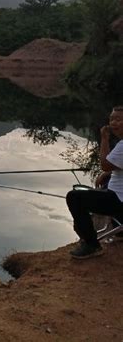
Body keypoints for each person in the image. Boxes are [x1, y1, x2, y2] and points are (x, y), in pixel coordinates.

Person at [66, 106, 123, 259]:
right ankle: (119, 229)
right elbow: (111, 167)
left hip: (119, 201)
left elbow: (104, 163)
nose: (113, 123)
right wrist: (108, 173)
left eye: (119, 119)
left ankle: (92, 245)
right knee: (103, 186)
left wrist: (104, 139)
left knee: (74, 197)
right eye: (112, 119)